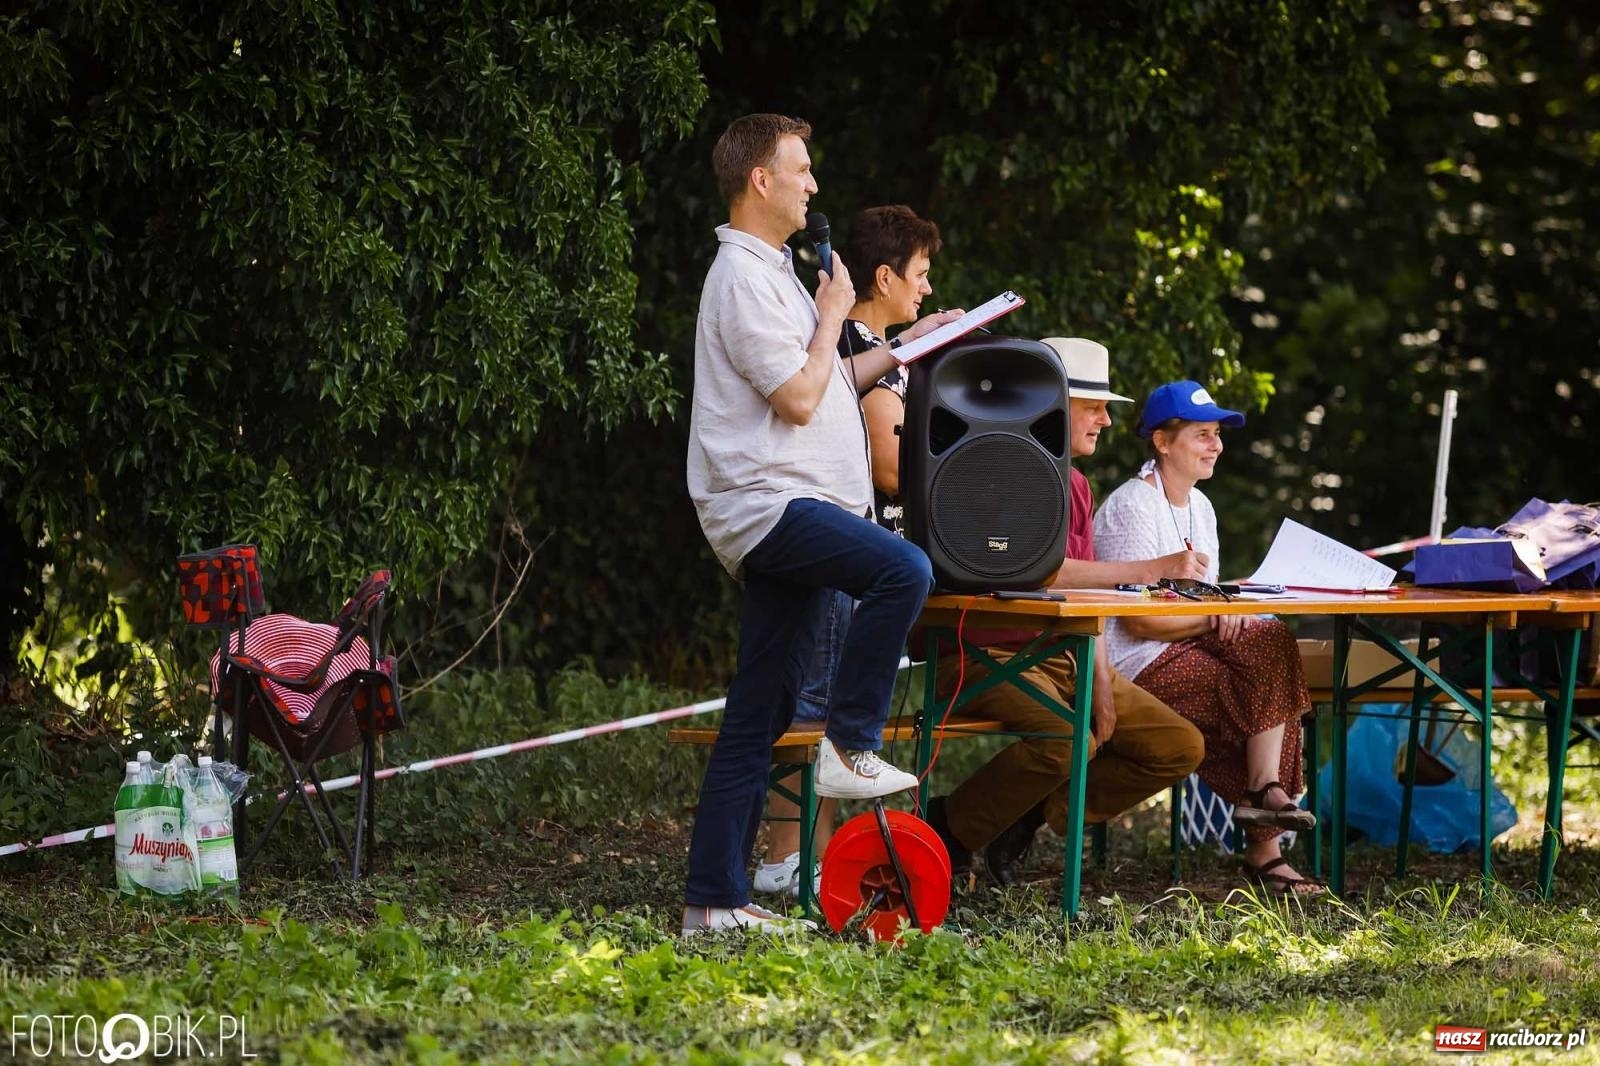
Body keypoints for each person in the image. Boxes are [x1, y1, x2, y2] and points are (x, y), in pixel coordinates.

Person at [682, 115, 960, 934]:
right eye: (800, 169)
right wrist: (835, 306)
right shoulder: (738, 277)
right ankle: (849, 745)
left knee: (757, 716)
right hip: (768, 506)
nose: (813, 184)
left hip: (787, 505)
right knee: (902, 570)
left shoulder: (771, 272)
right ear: (759, 181)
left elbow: (825, 379)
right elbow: (797, 398)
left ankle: (712, 903)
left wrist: (907, 346)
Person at [915, 338, 1206, 885]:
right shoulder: (995, 470)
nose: (1106, 420)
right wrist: (1151, 567)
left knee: (1177, 746)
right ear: (1049, 404)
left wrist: (1098, 671)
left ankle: (1019, 813)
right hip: (985, 652)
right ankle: (947, 830)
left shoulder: (1074, 481)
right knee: (1065, 741)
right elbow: (1040, 571)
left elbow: (1081, 595)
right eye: (1093, 406)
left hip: (1062, 650)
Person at [752, 205, 947, 900]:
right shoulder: (851, 345)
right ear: (886, 275)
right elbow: (890, 469)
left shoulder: (873, 345)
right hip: (844, 548)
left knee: (829, 704)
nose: (926, 289)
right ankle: (785, 858)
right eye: (920, 276)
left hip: (861, 554)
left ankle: (812, 854)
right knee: (819, 704)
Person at [1092, 380, 1322, 896]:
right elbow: (1139, 622)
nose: (1215, 445)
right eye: (1201, 434)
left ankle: (1266, 789)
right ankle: (1265, 843)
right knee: (1263, 696)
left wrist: (1223, 613)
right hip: (1136, 662)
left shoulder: (1202, 506)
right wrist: (1215, 617)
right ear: (1162, 441)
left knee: (1273, 644)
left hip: (1189, 647)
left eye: (1217, 434)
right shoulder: (1134, 505)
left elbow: (1203, 601)